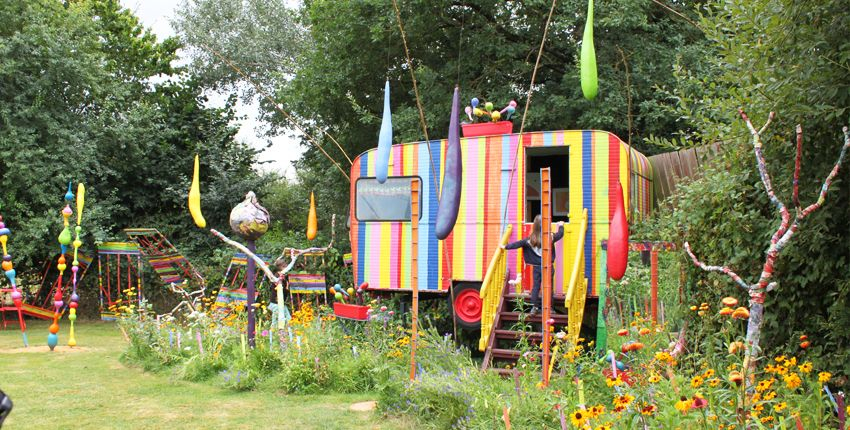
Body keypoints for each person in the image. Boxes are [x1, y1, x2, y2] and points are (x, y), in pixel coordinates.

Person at [502, 215, 564, 315]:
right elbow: (560, 234)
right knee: (548, 287)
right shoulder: (551, 237)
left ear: (534, 226)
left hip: (537, 267)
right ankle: (550, 308)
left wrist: (505, 246)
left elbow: (517, 244)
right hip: (548, 267)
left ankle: (534, 308)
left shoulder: (530, 240)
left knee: (536, 287)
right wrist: (561, 225)